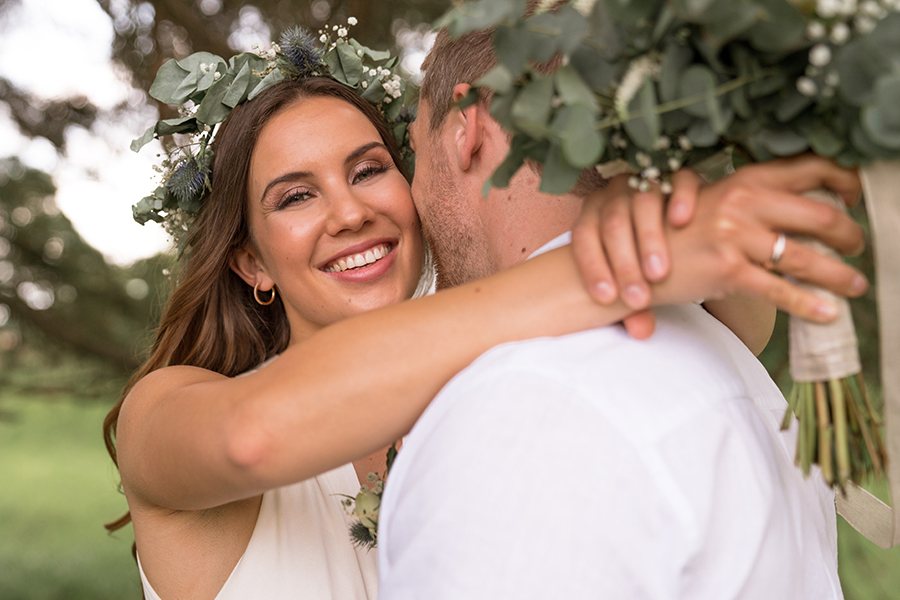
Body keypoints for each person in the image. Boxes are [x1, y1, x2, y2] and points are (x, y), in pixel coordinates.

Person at [105, 28, 864, 600]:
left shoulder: (492, 364)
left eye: (370, 169)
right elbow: (253, 436)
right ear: (250, 262)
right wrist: (599, 261)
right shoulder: (165, 410)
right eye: (296, 196)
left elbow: (735, 324)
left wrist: (662, 184)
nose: (350, 213)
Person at [375, 25, 865, 600]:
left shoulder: (525, 413)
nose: (414, 192)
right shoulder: (720, 351)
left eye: (415, 147)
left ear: (465, 127)